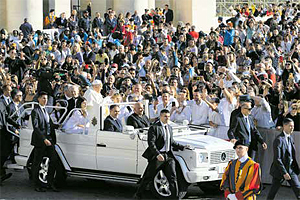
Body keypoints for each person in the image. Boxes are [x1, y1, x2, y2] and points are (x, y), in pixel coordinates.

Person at [134, 109, 189, 199]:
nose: (167, 118)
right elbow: (151, 143)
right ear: (160, 117)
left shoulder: (170, 128)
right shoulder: (154, 127)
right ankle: (138, 194)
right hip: (158, 156)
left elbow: (172, 142)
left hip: (168, 156)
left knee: (173, 177)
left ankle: (175, 198)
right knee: (148, 177)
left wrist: (183, 147)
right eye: (165, 116)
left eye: (168, 116)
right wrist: (157, 154)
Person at [30, 91, 59, 192]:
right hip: (40, 140)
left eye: (46, 98)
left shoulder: (46, 111)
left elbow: (49, 124)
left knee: (54, 160)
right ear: (38, 99)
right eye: (43, 98)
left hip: (49, 139)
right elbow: (36, 127)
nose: (45, 100)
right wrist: (44, 139)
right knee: (37, 163)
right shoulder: (35, 111)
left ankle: (49, 183)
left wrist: (59, 126)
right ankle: (37, 185)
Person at [267, 118, 300, 200]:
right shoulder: (278, 140)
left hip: (291, 170)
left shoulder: (290, 138)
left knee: (298, 190)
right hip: (280, 171)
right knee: (272, 192)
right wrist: (284, 172)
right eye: (290, 126)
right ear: (284, 126)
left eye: (293, 126)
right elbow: (277, 159)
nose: (292, 128)